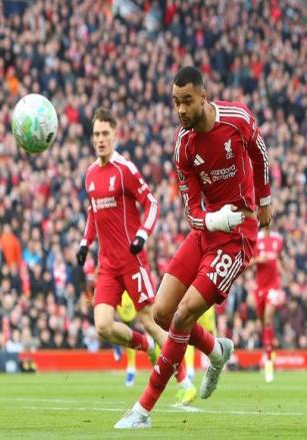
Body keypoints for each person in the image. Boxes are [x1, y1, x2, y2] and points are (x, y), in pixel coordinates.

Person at [114, 66, 272, 429]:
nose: (181, 110)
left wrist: (264, 200)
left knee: (184, 314)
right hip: (207, 233)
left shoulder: (237, 119)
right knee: (162, 313)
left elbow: (259, 152)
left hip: (237, 238)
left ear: (204, 96)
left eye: (187, 101)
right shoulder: (183, 146)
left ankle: (142, 409)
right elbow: (191, 211)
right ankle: (217, 350)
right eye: (175, 103)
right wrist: (215, 220)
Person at [77, 107, 196, 404]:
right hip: (107, 265)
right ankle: (147, 348)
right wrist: (84, 243)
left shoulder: (125, 169)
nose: (100, 139)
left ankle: (185, 381)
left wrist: (142, 235)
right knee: (103, 325)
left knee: (151, 319)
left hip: (131, 260)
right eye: (96, 134)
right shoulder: (90, 174)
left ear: (115, 135)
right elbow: (93, 213)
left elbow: (152, 203)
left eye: (105, 133)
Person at [249, 227, 284, 382]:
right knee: (263, 323)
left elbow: (281, 260)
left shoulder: (278, 240)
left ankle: (269, 363)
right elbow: (247, 263)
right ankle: (268, 351)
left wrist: (284, 276)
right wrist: (258, 260)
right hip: (259, 288)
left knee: (268, 318)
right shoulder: (256, 239)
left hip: (273, 287)